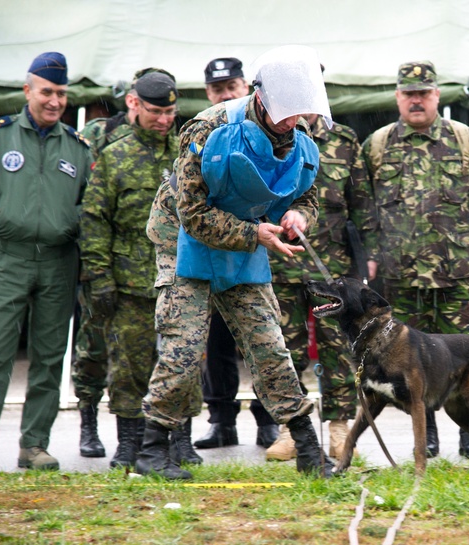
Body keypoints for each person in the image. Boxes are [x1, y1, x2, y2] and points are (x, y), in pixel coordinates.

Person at [139, 44, 335, 479]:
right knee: (184, 349)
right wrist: (255, 234)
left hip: (245, 244)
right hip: (184, 242)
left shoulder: (300, 139)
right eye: (286, 113)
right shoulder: (207, 130)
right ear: (261, 97)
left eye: (300, 115)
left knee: (269, 345)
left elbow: (307, 195)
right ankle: (152, 451)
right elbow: (192, 214)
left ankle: (308, 449)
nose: (293, 123)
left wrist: (299, 215)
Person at [0, 52, 92, 474]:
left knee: (49, 358)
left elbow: (90, 204)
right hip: (7, 261)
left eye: (62, 94)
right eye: (47, 91)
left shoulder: (78, 148)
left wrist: (71, 221)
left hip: (58, 263)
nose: (55, 101)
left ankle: (34, 447)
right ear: (27, 90)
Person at [360, 60, 469, 459]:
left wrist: (457, 232)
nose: (416, 100)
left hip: (455, 276)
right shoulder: (378, 144)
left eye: (424, 93)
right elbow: (366, 205)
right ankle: (430, 435)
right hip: (401, 278)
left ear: (437, 95)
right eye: (409, 93)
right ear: (397, 97)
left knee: (457, 360)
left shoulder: (466, 140)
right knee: (414, 365)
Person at [78, 71, 188, 468]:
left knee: (183, 361)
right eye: (157, 112)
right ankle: (129, 443)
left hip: (182, 279)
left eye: (171, 113)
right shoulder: (115, 155)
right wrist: (100, 278)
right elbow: (94, 220)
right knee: (129, 365)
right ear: (135, 105)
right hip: (130, 282)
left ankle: (177, 441)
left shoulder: (188, 151)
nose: (164, 120)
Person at [264, 107, 374, 461]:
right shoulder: (268, 134)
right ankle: (290, 431)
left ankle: (340, 429)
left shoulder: (343, 141)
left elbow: (361, 203)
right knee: (283, 348)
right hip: (281, 261)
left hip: (333, 267)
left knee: (338, 348)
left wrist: (367, 256)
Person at [192, 57, 280, 452]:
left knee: (262, 340)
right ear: (208, 93)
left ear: (247, 88)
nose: (225, 94)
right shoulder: (204, 129)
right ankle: (221, 421)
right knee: (218, 345)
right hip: (212, 250)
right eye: (217, 89)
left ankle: (269, 421)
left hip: (260, 251)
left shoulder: (268, 129)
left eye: (232, 86)